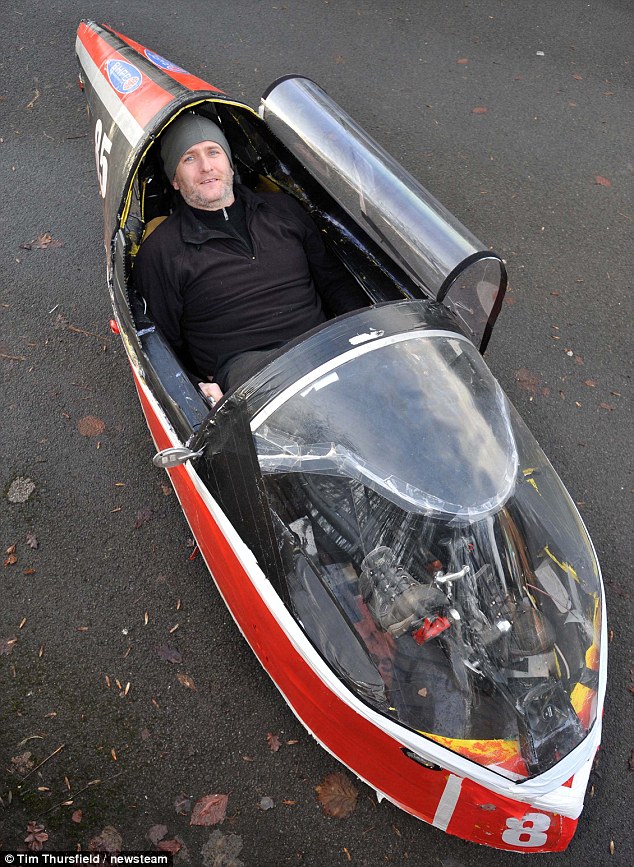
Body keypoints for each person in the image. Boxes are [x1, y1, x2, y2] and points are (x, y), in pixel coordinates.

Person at [134, 112, 367, 403]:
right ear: (175, 180)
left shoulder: (283, 210)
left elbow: (334, 282)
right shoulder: (162, 251)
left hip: (322, 345)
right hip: (250, 375)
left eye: (213, 152)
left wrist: (366, 329)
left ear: (230, 164)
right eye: (189, 158)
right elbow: (158, 339)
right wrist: (194, 386)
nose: (206, 167)